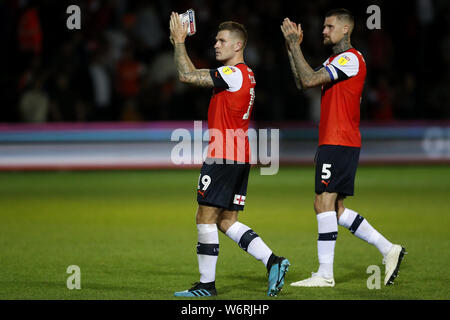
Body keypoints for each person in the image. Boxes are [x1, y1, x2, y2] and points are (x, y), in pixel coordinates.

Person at [281, 8, 406, 287]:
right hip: (334, 140)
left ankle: (325, 275)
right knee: (334, 209)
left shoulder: (351, 58)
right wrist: (292, 49)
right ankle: (389, 249)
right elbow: (304, 81)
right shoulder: (336, 59)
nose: (323, 31)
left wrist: (293, 46)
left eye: (329, 26)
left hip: (339, 140)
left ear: (346, 29)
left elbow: (311, 80)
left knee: (323, 202)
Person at [169, 13, 290, 297]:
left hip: (222, 155)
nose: (216, 45)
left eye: (222, 41)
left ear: (238, 46)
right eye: (215, 40)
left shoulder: (233, 73)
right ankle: (273, 261)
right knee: (226, 222)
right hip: (239, 155)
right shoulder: (247, 74)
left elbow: (186, 75)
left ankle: (206, 286)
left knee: (205, 217)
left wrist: (178, 42)